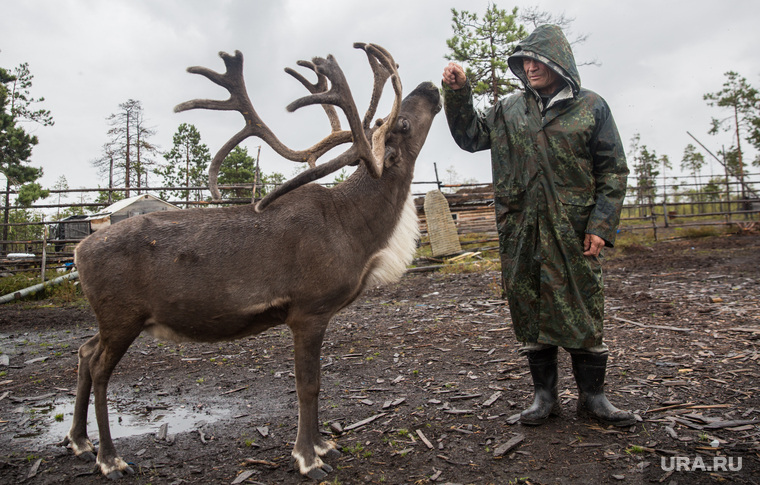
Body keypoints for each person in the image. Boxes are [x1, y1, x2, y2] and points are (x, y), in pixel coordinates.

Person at [442, 24, 634, 427]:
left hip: (574, 232)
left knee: (583, 307)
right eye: (524, 60)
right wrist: (458, 94)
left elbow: (613, 171)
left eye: (536, 59)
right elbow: (471, 136)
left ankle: (593, 399)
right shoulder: (510, 109)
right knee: (530, 308)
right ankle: (543, 398)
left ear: (557, 61)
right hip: (523, 229)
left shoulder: (591, 108)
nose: (529, 67)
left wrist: (601, 225)